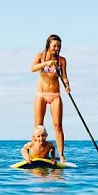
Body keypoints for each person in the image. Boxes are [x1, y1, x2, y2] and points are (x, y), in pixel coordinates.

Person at [31, 34, 70, 163]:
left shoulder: (61, 60)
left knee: (58, 126)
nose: (57, 48)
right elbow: (33, 68)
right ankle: (35, 153)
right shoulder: (40, 56)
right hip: (41, 95)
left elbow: (64, 76)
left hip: (55, 95)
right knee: (38, 126)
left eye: (59, 46)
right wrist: (46, 63)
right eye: (54, 46)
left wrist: (67, 85)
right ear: (49, 45)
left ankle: (62, 156)